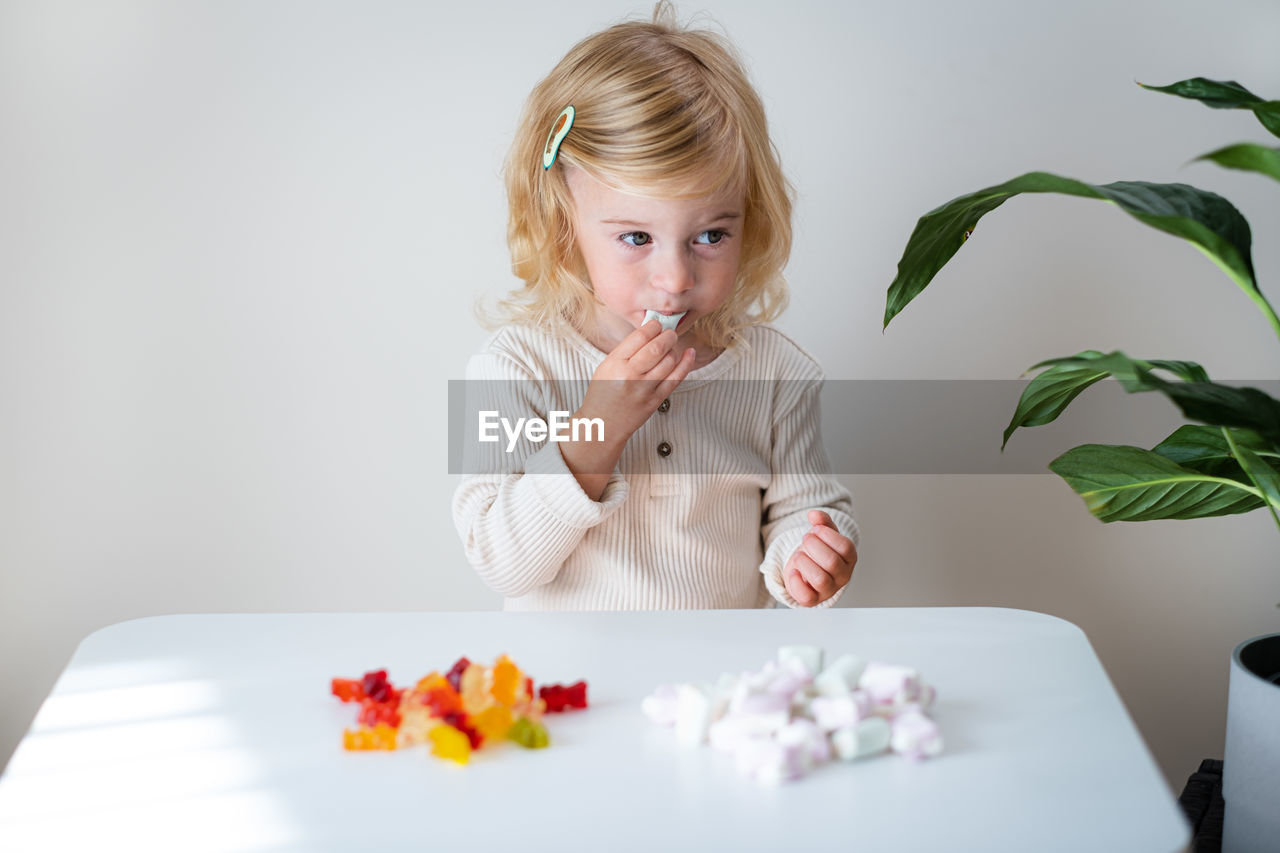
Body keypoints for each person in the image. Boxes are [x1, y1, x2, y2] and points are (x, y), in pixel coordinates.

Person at [452, 2, 858, 610]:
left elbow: (805, 511)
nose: (674, 279)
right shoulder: (516, 368)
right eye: (636, 238)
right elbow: (500, 563)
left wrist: (809, 557)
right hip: (571, 696)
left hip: (718, 693)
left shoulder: (775, 373)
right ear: (564, 225)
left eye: (711, 237)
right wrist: (597, 428)